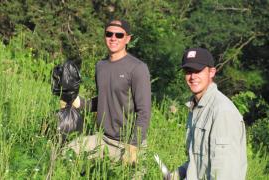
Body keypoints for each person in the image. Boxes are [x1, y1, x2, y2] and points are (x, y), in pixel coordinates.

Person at [61, 19, 151, 164]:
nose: (113, 38)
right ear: (105, 36)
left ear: (128, 39)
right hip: (102, 138)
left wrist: (134, 146)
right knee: (65, 155)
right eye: (109, 34)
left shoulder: (138, 68)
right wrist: (77, 101)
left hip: (127, 143)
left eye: (119, 35)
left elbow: (144, 111)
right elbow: (104, 99)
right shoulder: (101, 66)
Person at [169, 48, 247, 179]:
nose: (193, 77)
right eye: (188, 72)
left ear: (212, 72)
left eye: (198, 71)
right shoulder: (197, 108)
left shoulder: (222, 112)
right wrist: (176, 175)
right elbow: (199, 162)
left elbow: (225, 171)